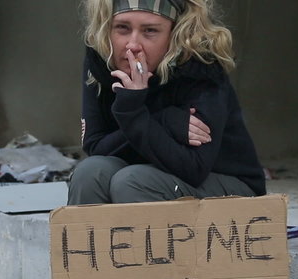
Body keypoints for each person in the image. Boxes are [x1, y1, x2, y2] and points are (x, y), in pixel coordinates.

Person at [68, 0, 266, 205]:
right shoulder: (101, 61)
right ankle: (90, 237)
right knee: (89, 173)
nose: (133, 45)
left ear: (173, 34)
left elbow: (193, 168)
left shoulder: (201, 66)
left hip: (229, 184)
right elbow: (95, 147)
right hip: (149, 174)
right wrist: (164, 120)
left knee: (133, 181)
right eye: (122, 28)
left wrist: (135, 115)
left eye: (150, 31)